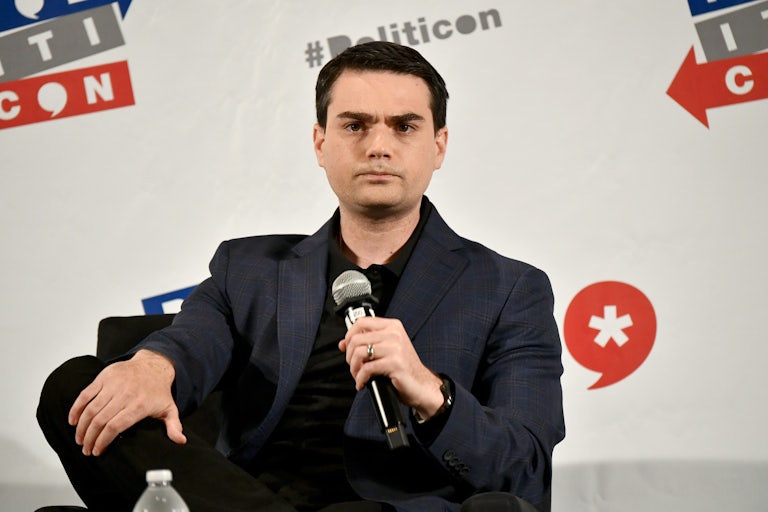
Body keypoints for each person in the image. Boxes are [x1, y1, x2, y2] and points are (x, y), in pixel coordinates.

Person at [37, 41, 565, 512]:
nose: (378, 146)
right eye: (355, 125)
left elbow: (525, 468)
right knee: (75, 386)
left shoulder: (509, 288)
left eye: (404, 126)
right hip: (243, 494)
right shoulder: (246, 268)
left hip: (389, 509)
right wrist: (155, 365)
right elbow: (191, 340)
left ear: (439, 145)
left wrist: (431, 393)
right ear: (320, 143)